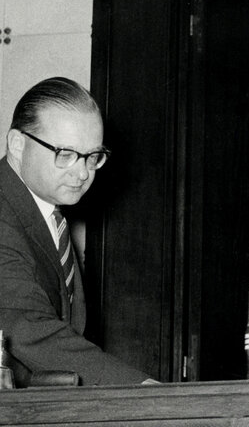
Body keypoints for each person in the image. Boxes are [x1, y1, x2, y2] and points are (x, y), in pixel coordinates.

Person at [0, 77, 154, 385]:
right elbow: (26, 328)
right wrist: (141, 389)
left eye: (92, 156)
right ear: (18, 144)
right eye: (66, 154)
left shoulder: (47, 213)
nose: (82, 172)